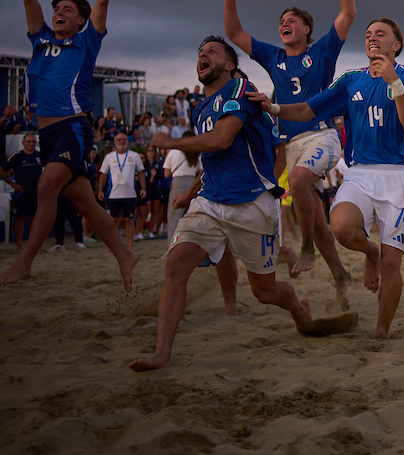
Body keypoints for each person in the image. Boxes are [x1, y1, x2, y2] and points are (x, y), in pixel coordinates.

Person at [131, 37, 354, 371]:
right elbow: (213, 156)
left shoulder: (240, 90)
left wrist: (169, 142)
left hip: (251, 203)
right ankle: (163, 352)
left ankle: (298, 306)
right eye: (199, 52)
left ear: (230, 65)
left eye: (211, 51)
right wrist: (192, 193)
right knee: (176, 266)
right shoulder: (200, 107)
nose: (202, 54)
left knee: (263, 292)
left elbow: (222, 139)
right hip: (210, 202)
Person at [255, 18, 404, 337]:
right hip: (360, 173)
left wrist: (395, 83)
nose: (372, 38)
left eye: (381, 34)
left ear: (397, 45)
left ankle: (380, 332)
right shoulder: (351, 79)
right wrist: (273, 108)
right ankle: (370, 252)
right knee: (341, 228)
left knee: (393, 265)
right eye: (368, 35)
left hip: (398, 177)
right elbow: (308, 109)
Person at [1, 0, 138, 288]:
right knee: (85, 203)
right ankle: (126, 256)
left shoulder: (87, 42)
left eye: (67, 9)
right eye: (57, 8)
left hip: (74, 128)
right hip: (47, 133)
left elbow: (103, 1)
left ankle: (25, 261)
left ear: (80, 19)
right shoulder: (41, 38)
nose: (59, 12)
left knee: (47, 188)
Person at [222, 0, 355, 306]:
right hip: (290, 142)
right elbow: (233, 33)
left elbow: (348, 15)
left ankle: (306, 250)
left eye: (292, 19)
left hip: (323, 135)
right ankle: (341, 274)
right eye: (282, 20)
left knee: (296, 183)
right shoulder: (272, 56)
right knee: (316, 219)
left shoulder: (323, 52)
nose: (285, 23)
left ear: (306, 29)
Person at [97, 133, 147, 249]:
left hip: (130, 194)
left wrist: (143, 188)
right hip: (113, 194)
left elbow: (140, 173)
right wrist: (100, 190)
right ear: (115, 142)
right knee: (112, 221)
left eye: (124, 140)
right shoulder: (109, 157)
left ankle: (130, 246)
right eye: (119, 140)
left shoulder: (134, 156)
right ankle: (112, 247)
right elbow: (103, 175)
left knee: (129, 221)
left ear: (127, 141)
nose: (121, 142)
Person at [1, 134, 43, 248]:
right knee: (20, 219)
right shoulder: (16, 156)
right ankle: (19, 245)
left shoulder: (40, 155)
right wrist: (12, 183)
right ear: (23, 143)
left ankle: (32, 245)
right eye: (29, 141)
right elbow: (1, 170)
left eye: (33, 142)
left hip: (36, 193)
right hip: (22, 193)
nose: (31, 144)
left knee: (35, 220)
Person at [162, 133, 201, 244]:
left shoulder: (173, 152)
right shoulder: (196, 151)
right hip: (192, 183)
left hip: (177, 183)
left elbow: (166, 173)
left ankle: (172, 245)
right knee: (192, 216)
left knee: (174, 217)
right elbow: (201, 170)